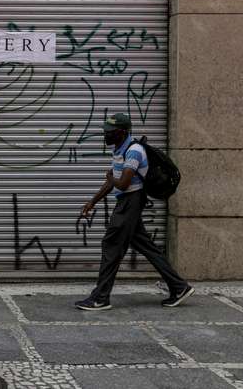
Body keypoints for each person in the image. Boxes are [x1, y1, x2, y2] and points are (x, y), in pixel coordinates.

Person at [75, 113, 194, 311]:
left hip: (131, 202)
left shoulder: (134, 152)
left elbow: (121, 184)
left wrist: (111, 178)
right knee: (147, 247)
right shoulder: (120, 149)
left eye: (109, 132)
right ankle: (179, 287)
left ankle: (100, 298)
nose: (105, 135)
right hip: (127, 202)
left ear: (121, 132)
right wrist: (92, 202)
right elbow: (111, 181)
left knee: (111, 245)